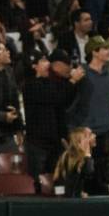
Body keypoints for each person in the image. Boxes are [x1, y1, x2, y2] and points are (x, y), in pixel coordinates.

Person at [23, 50, 80, 179]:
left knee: (56, 178)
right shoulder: (31, 86)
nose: (48, 63)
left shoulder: (50, 83)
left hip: (54, 141)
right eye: (43, 60)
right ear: (34, 66)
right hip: (38, 143)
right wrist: (72, 81)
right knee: (38, 180)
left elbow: (64, 102)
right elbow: (56, 98)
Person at [53, 126, 96, 198]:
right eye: (88, 137)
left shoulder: (79, 157)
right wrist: (87, 153)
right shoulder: (70, 158)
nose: (93, 136)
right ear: (79, 142)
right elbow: (89, 171)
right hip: (69, 200)